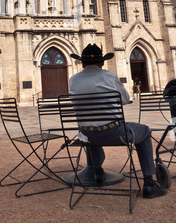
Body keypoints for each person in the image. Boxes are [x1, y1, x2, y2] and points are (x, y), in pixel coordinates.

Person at [69, 43, 167, 199]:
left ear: (82, 62)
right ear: (102, 62)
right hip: (114, 132)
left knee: (92, 129)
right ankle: (149, 183)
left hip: (86, 136)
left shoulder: (73, 79)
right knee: (144, 132)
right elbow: (125, 99)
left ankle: (98, 170)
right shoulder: (109, 75)